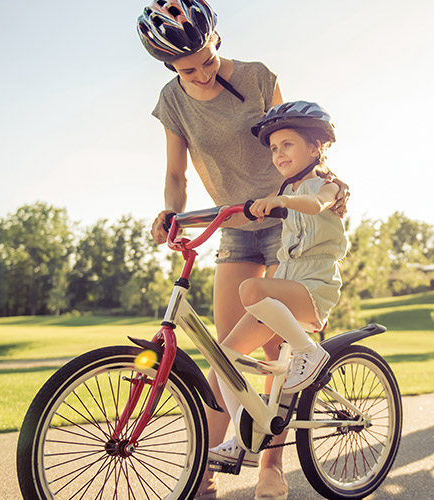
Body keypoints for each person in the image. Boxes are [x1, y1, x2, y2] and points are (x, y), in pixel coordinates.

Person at [136, 2, 347, 498]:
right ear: (169, 65)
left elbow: (293, 136)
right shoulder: (173, 100)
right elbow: (175, 174)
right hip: (233, 223)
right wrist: (171, 212)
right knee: (223, 353)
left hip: (282, 218)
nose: (203, 73)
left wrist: (314, 195)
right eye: (189, 68)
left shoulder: (256, 77)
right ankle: (202, 474)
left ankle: (271, 468)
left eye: (207, 60)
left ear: (217, 42)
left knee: (275, 347)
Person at [207, 100, 347, 481]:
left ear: (315, 147)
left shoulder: (326, 186)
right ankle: (244, 435)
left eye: (287, 144)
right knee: (223, 357)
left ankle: (307, 351)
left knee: (251, 287)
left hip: (313, 289)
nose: (278, 153)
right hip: (285, 289)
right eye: (273, 148)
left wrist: (281, 201)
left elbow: (315, 205)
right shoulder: (285, 188)